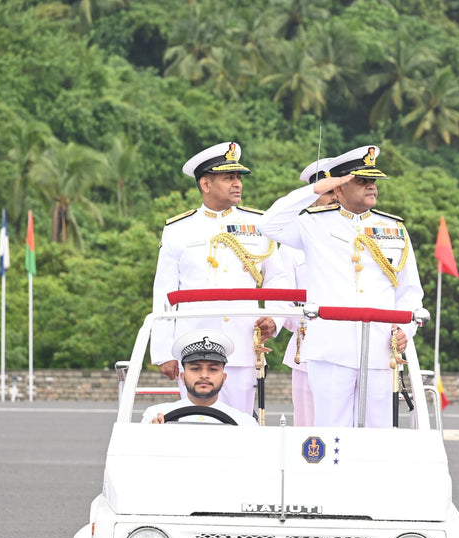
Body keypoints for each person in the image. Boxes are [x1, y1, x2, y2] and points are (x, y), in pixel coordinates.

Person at [151, 141, 346, 415]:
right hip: (193, 343)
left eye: (239, 177)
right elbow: (164, 291)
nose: (237, 184)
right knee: (193, 420)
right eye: (228, 178)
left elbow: (278, 278)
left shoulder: (259, 223)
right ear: (205, 184)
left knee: (239, 420)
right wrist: (163, 352)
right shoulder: (178, 228)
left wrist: (274, 319)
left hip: (241, 343)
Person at [270, 146, 422, 428]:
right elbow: (269, 224)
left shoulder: (394, 229)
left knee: (377, 432)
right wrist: (314, 190)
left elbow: (409, 291)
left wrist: (406, 329)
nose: (371, 186)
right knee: (331, 432)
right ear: (339, 188)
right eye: (361, 181)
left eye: (373, 181)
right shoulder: (312, 224)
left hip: (379, 348)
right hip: (331, 349)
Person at [276, 157, 340, 427]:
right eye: (327, 192)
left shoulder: (358, 235)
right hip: (308, 348)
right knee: (308, 429)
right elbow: (282, 300)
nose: (334, 198)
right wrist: (306, 324)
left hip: (351, 346)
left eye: (338, 191)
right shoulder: (293, 242)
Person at [141, 329, 257, 426]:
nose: (204, 375)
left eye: (213, 369)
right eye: (195, 369)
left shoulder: (245, 423)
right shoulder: (155, 416)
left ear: (224, 378)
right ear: (182, 377)